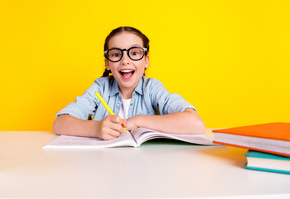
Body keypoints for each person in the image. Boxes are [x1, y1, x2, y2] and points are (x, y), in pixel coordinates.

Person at [52, 26, 206, 140]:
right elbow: (59, 124)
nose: (125, 61)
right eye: (116, 54)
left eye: (134, 53)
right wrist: (97, 128)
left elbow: (196, 124)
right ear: (107, 63)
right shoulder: (100, 87)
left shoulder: (152, 88)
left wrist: (139, 120)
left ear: (146, 61)